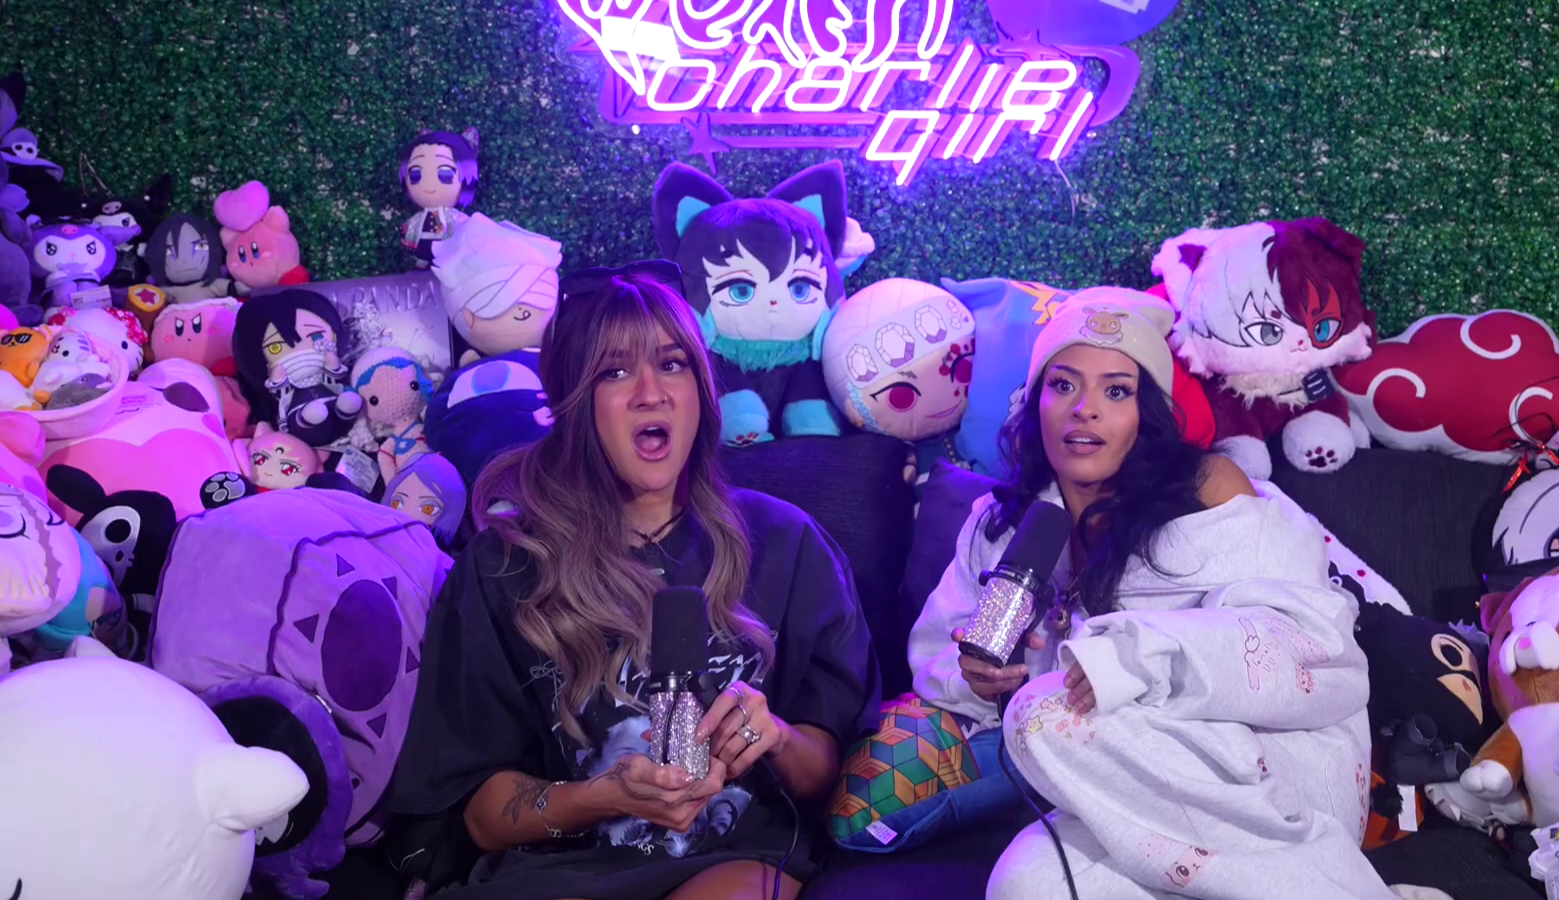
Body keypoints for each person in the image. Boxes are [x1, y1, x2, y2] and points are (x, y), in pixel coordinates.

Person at [387, 261, 881, 900]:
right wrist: (602, 796)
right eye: (615, 372)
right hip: (558, 876)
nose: (651, 393)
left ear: (701, 389)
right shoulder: (503, 566)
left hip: (729, 865)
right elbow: (480, 818)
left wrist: (775, 737)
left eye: (672, 364)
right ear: (576, 404)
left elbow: (827, 775)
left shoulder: (786, 543)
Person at [908, 287, 1397, 900]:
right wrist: (977, 679)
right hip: (1116, 789)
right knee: (1025, 886)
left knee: (1044, 714)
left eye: (1116, 391)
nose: (1084, 409)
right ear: (1035, 402)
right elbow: (934, 655)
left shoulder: (1207, 488)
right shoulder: (1000, 526)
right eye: (1063, 385)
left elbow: (1311, 651)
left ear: (1149, 413)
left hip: (1263, 779)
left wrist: (1134, 656)